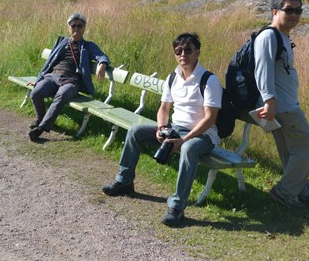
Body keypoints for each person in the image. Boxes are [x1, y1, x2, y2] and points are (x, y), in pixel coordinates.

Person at [102, 33, 222, 227]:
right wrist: (161, 128)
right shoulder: (173, 77)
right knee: (135, 132)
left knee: (188, 148)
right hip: (175, 129)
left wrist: (184, 140)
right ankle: (124, 181)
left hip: (203, 135)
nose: (183, 55)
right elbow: (164, 108)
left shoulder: (209, 80)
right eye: (178, 51)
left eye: (188, 50)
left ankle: (177, 208)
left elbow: (210, 119)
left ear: (198, 52)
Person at [254, 0, 309, 209]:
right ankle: (285, 191)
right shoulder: (268, 36)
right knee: (308, 146)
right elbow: (262, 70)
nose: (294, 15)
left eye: (298, 11)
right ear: (275, 11)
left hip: (282, 105)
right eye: (289, 10)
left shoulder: (281, 36)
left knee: (290, 151)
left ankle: (299, 189)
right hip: (281, 106)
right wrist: (269, 100)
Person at [27, 13, 110, 141]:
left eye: (79, 26)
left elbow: (102, 56)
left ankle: (42, 128)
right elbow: (49, 62)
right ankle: (41, 118)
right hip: (52, 77)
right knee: (36, 93)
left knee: (61, 95)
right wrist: (38, 80)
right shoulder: (62, 42)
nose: (76, 28)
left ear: (84, 28)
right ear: (68, 28)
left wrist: (102, 64)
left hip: (70, 81)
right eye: (73, 26)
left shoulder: (88, 46)